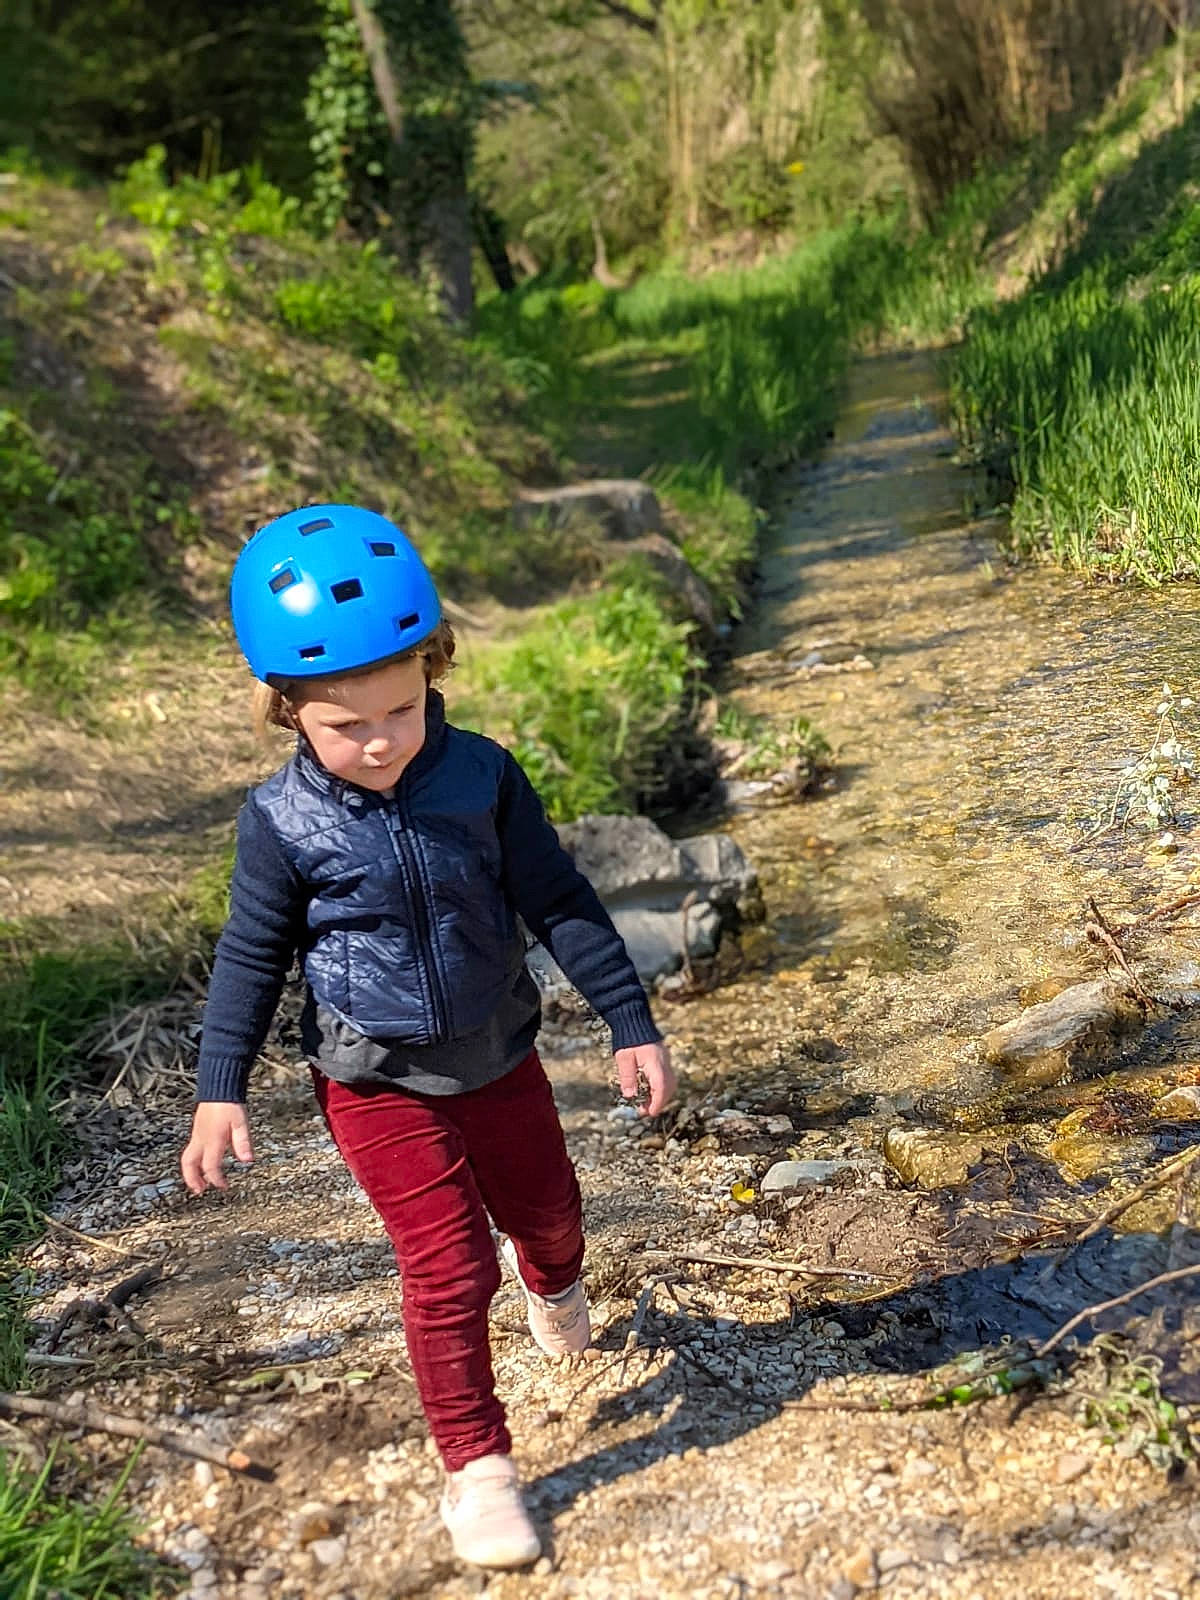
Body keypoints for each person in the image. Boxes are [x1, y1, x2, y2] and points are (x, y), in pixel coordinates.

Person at [180, 504, 676, 1570]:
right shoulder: (280, 823)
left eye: (400, 710)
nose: (378, 741)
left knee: (550, 1216)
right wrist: (221, 1085)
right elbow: (251, 956)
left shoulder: (482, 776)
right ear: (286, 711)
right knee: (448, 1263)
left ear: (432, 666)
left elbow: (562, 898)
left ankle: (556, 1281)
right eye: (343, 725)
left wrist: (629, 1018)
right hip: (373, 1079)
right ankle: (478, 1466)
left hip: (499, 1052)